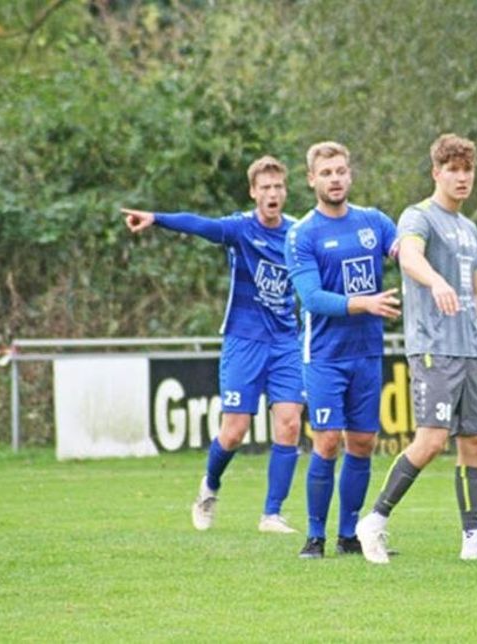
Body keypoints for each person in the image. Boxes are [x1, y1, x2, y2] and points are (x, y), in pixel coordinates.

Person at [355, 133, 477, 564]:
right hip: (433, 347)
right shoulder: (419, 217)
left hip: (470, 349)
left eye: (467, 169)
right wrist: (436, 281)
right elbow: (409, 257)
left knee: (476, 442)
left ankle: (474, 540)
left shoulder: (469, 229)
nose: (462, 178)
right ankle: (373, 521)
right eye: (453, 169)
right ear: (437, 173)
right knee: (430, 441)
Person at [122, 155, 304, 535]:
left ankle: (272, 514)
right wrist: (157, 218)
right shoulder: (240, 229)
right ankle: (209, 488)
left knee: (288, 425)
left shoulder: (298, 233)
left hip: (286, 342)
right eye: (265, 187)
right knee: (234, 431)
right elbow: (199, 225)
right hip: (244, 340)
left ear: (286, 191)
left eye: (278, 187)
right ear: (254, 192)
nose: (272, 193)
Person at [284, 141, 400, 559]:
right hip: (325, 356)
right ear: (312, 179)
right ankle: (315, 536)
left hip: (367, 352)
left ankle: (349, 534)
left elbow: (410, 253)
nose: (335, 179)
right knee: (328, 440)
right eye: (326, 172)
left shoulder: (375, 222)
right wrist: (366, 303)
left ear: (350, 175)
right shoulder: (302, 234)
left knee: (364, 443)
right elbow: (312, 298)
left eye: (340, 171)